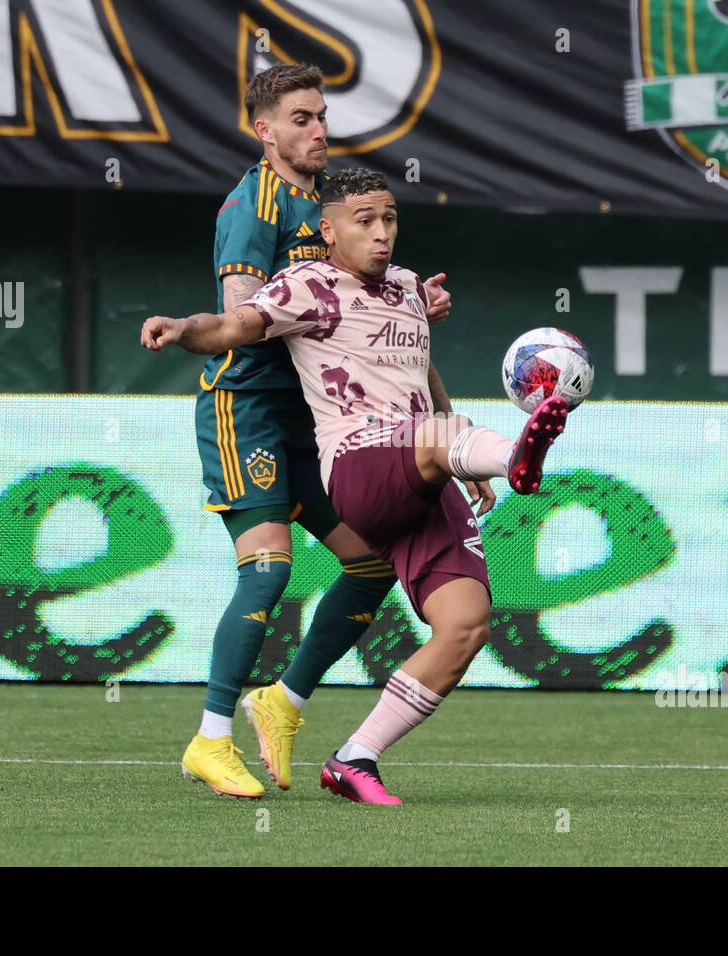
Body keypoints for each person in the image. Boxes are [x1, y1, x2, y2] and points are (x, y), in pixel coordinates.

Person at [141, 168, 570, 804]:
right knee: (432, 443)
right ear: (328, 229)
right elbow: (232, 327)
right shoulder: (307, 285)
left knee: (466, 623)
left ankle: (354, 757)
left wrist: (460, 458)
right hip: (359, 463)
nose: (381, 234)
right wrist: (182, 327)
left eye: (390, 218)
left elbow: (423, 380)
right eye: (364, 220)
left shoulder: (407, 288)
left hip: (428, 459)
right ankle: (515, 458)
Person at [176, 65, 486, 799]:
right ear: (265, 130)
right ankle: (210, 740)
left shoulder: (336, 205)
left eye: (322, 116)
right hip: (246, 411)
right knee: (268, 570)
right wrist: (336, 307)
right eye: (302, 118)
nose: (319, 130)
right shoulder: (251, 205)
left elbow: (385, 341)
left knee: (372, 565)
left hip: (324, 428)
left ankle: (282, 702)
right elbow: (242, 320)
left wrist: (394, 301)